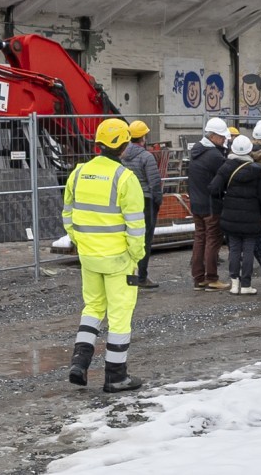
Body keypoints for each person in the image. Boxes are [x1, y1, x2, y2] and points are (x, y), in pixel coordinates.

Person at [63, 119, 148, 392]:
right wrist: (136, 256)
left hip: (89, 257)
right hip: (119, 260)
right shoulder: (125, 178)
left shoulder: (78, 173)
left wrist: (81, 242)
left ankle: (79, 363)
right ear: (125, 146)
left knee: (92, 308)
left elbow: (68, 214)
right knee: (120, 315)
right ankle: (116, 376)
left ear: (98, 144)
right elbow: (136, 226)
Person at [211, 134, 261, 294]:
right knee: (249, 249)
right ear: (250, 150)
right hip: (252, 216)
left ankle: (234, 283)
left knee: (234, 249)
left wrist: (224, 200)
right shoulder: (257, 170)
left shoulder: (226, 167)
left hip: (230, 215)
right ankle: (246, 285)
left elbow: (213, 188)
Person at [184, 118, 230, 291]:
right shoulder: (214, 156)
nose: (224, 140)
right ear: (213, 136)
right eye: (222, 137)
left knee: (200, 239)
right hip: (211, 204)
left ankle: (199, 278)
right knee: (212, 240)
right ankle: (211, 278)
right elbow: (224, 177)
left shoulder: (196, 151)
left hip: (197, 203)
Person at [119, 120, 163, 290]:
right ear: (143, 137)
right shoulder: (146, 157)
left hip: (127, 200)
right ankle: (142, 277)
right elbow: (154, 182)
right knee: (144, 240)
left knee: (127, 238)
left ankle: (126, 275)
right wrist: (157, 201)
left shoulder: (121, 156)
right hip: (145, 201)